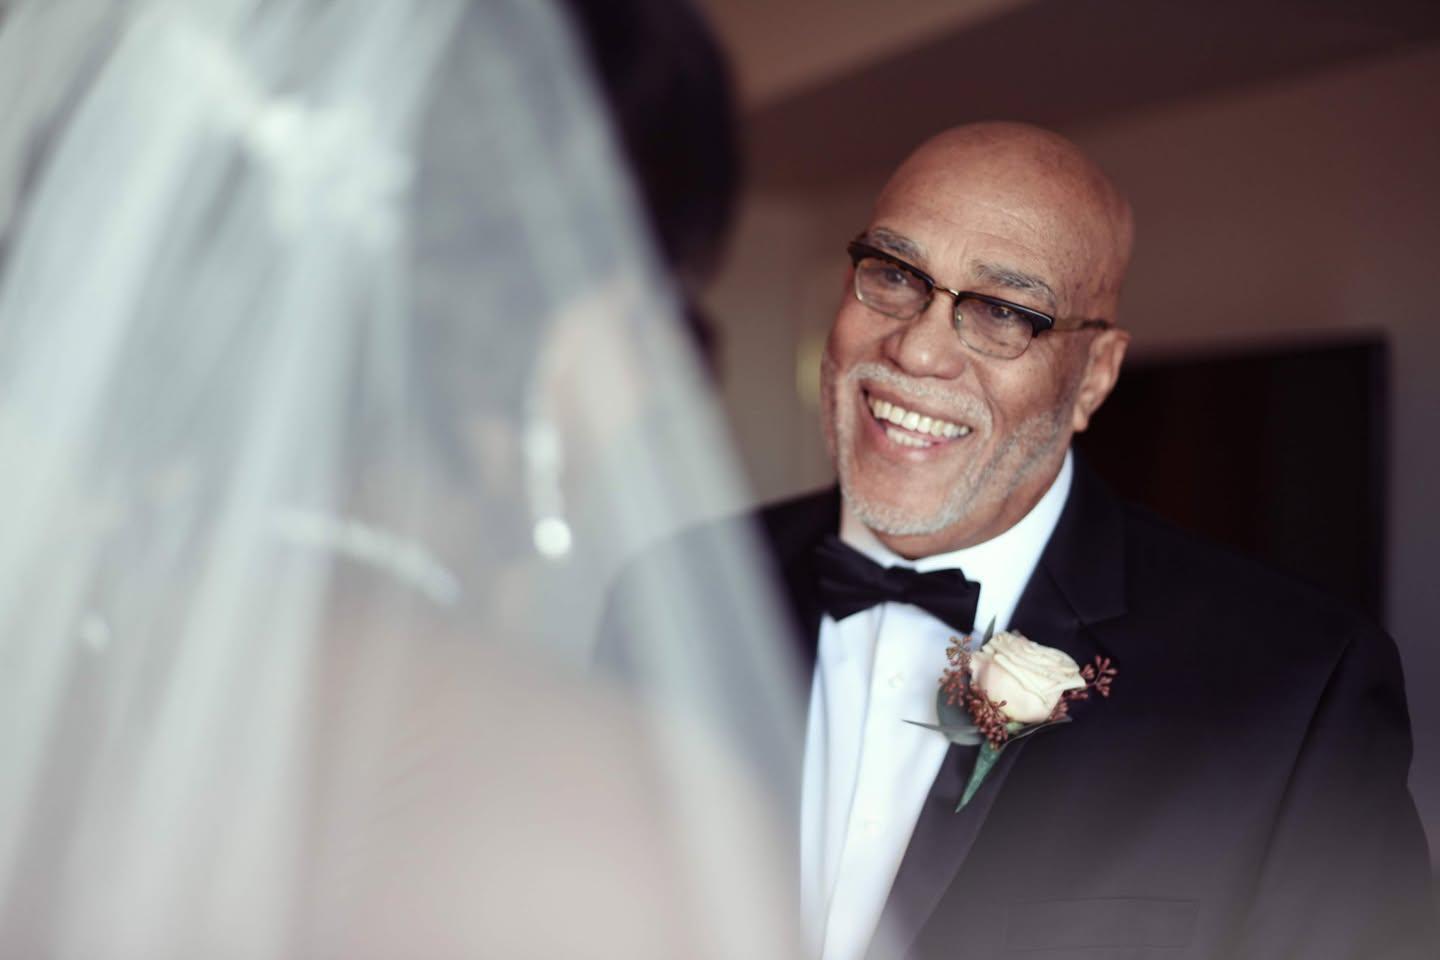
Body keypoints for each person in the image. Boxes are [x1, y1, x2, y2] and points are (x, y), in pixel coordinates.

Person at [0, 0, 800, 957]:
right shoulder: (618, 827)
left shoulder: (43, 733)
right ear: (550, 337)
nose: (658, 385)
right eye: (649, 319)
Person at [749, 122, 1437, 958]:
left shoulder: (1302, 688)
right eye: (894, 275)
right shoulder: (674, 585)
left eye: (1005, 311)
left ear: (1096, 376)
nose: (919, 350)